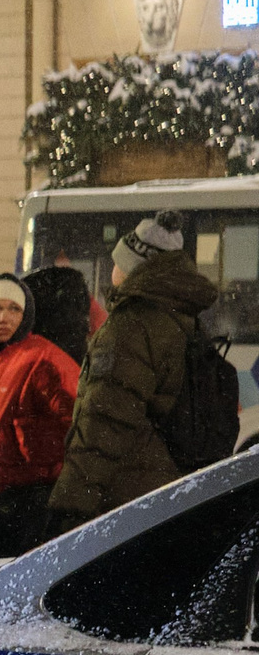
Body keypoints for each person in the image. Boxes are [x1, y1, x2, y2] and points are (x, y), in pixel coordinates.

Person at [50, 210, 221, 530]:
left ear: (135, 266)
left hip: (125, 493)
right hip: (163, 484)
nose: (113, 268)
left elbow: (105, 421)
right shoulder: (179, 316)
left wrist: (70, 505)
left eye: (118, 260)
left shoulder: (131, 325)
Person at [0, 272, 80, 560]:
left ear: (26, 314)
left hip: (34, 497)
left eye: (14, 309)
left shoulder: (43, 358)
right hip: (1, 494)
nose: (3, 318)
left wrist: (35, 448)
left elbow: (75, 417)